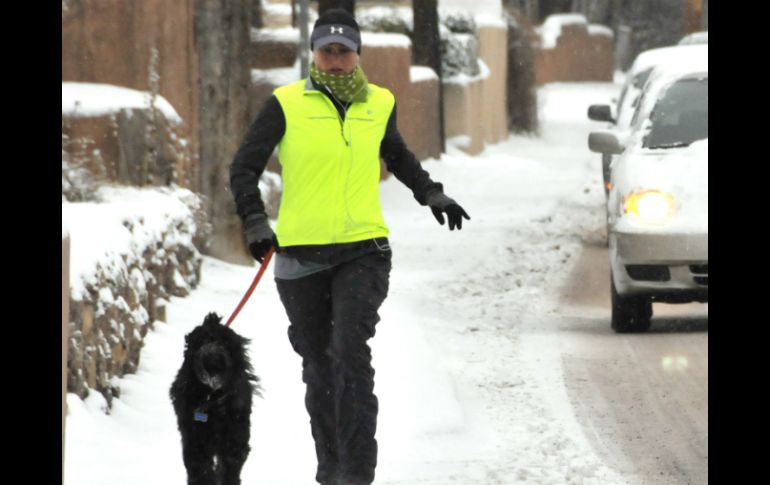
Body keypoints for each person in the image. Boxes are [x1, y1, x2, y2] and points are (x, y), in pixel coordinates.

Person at [229, 8, 470, 485]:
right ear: (313, 53)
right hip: (300, 257)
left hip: (364, 251)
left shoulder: (379, 102)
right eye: (327, 51)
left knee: (348, 352)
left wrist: (431, 192)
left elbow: (396, 154)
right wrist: (256, 221)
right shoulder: (285, 103)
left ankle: (357, 474)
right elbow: (244, 167)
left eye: (344, 52)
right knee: (319, 367)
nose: (336, 61)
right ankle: (331, 468)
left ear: (358, 54)